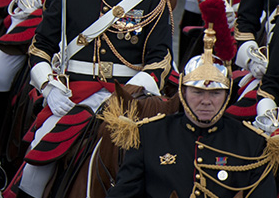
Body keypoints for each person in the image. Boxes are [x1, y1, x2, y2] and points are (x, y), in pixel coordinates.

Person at [11, 0, 173, 198]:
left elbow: (160, 60)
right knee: (35, 163)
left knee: (167, 163)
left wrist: (128, 96)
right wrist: (48, 86)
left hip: (130, 98)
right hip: (75, 96)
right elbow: (41, 48)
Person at [106, 25, 275, 198]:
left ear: (227, 95)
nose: (206, 101)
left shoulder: (252, 143)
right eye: (198, 92)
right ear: (183, 92)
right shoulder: (148, 136)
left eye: (215, 93)